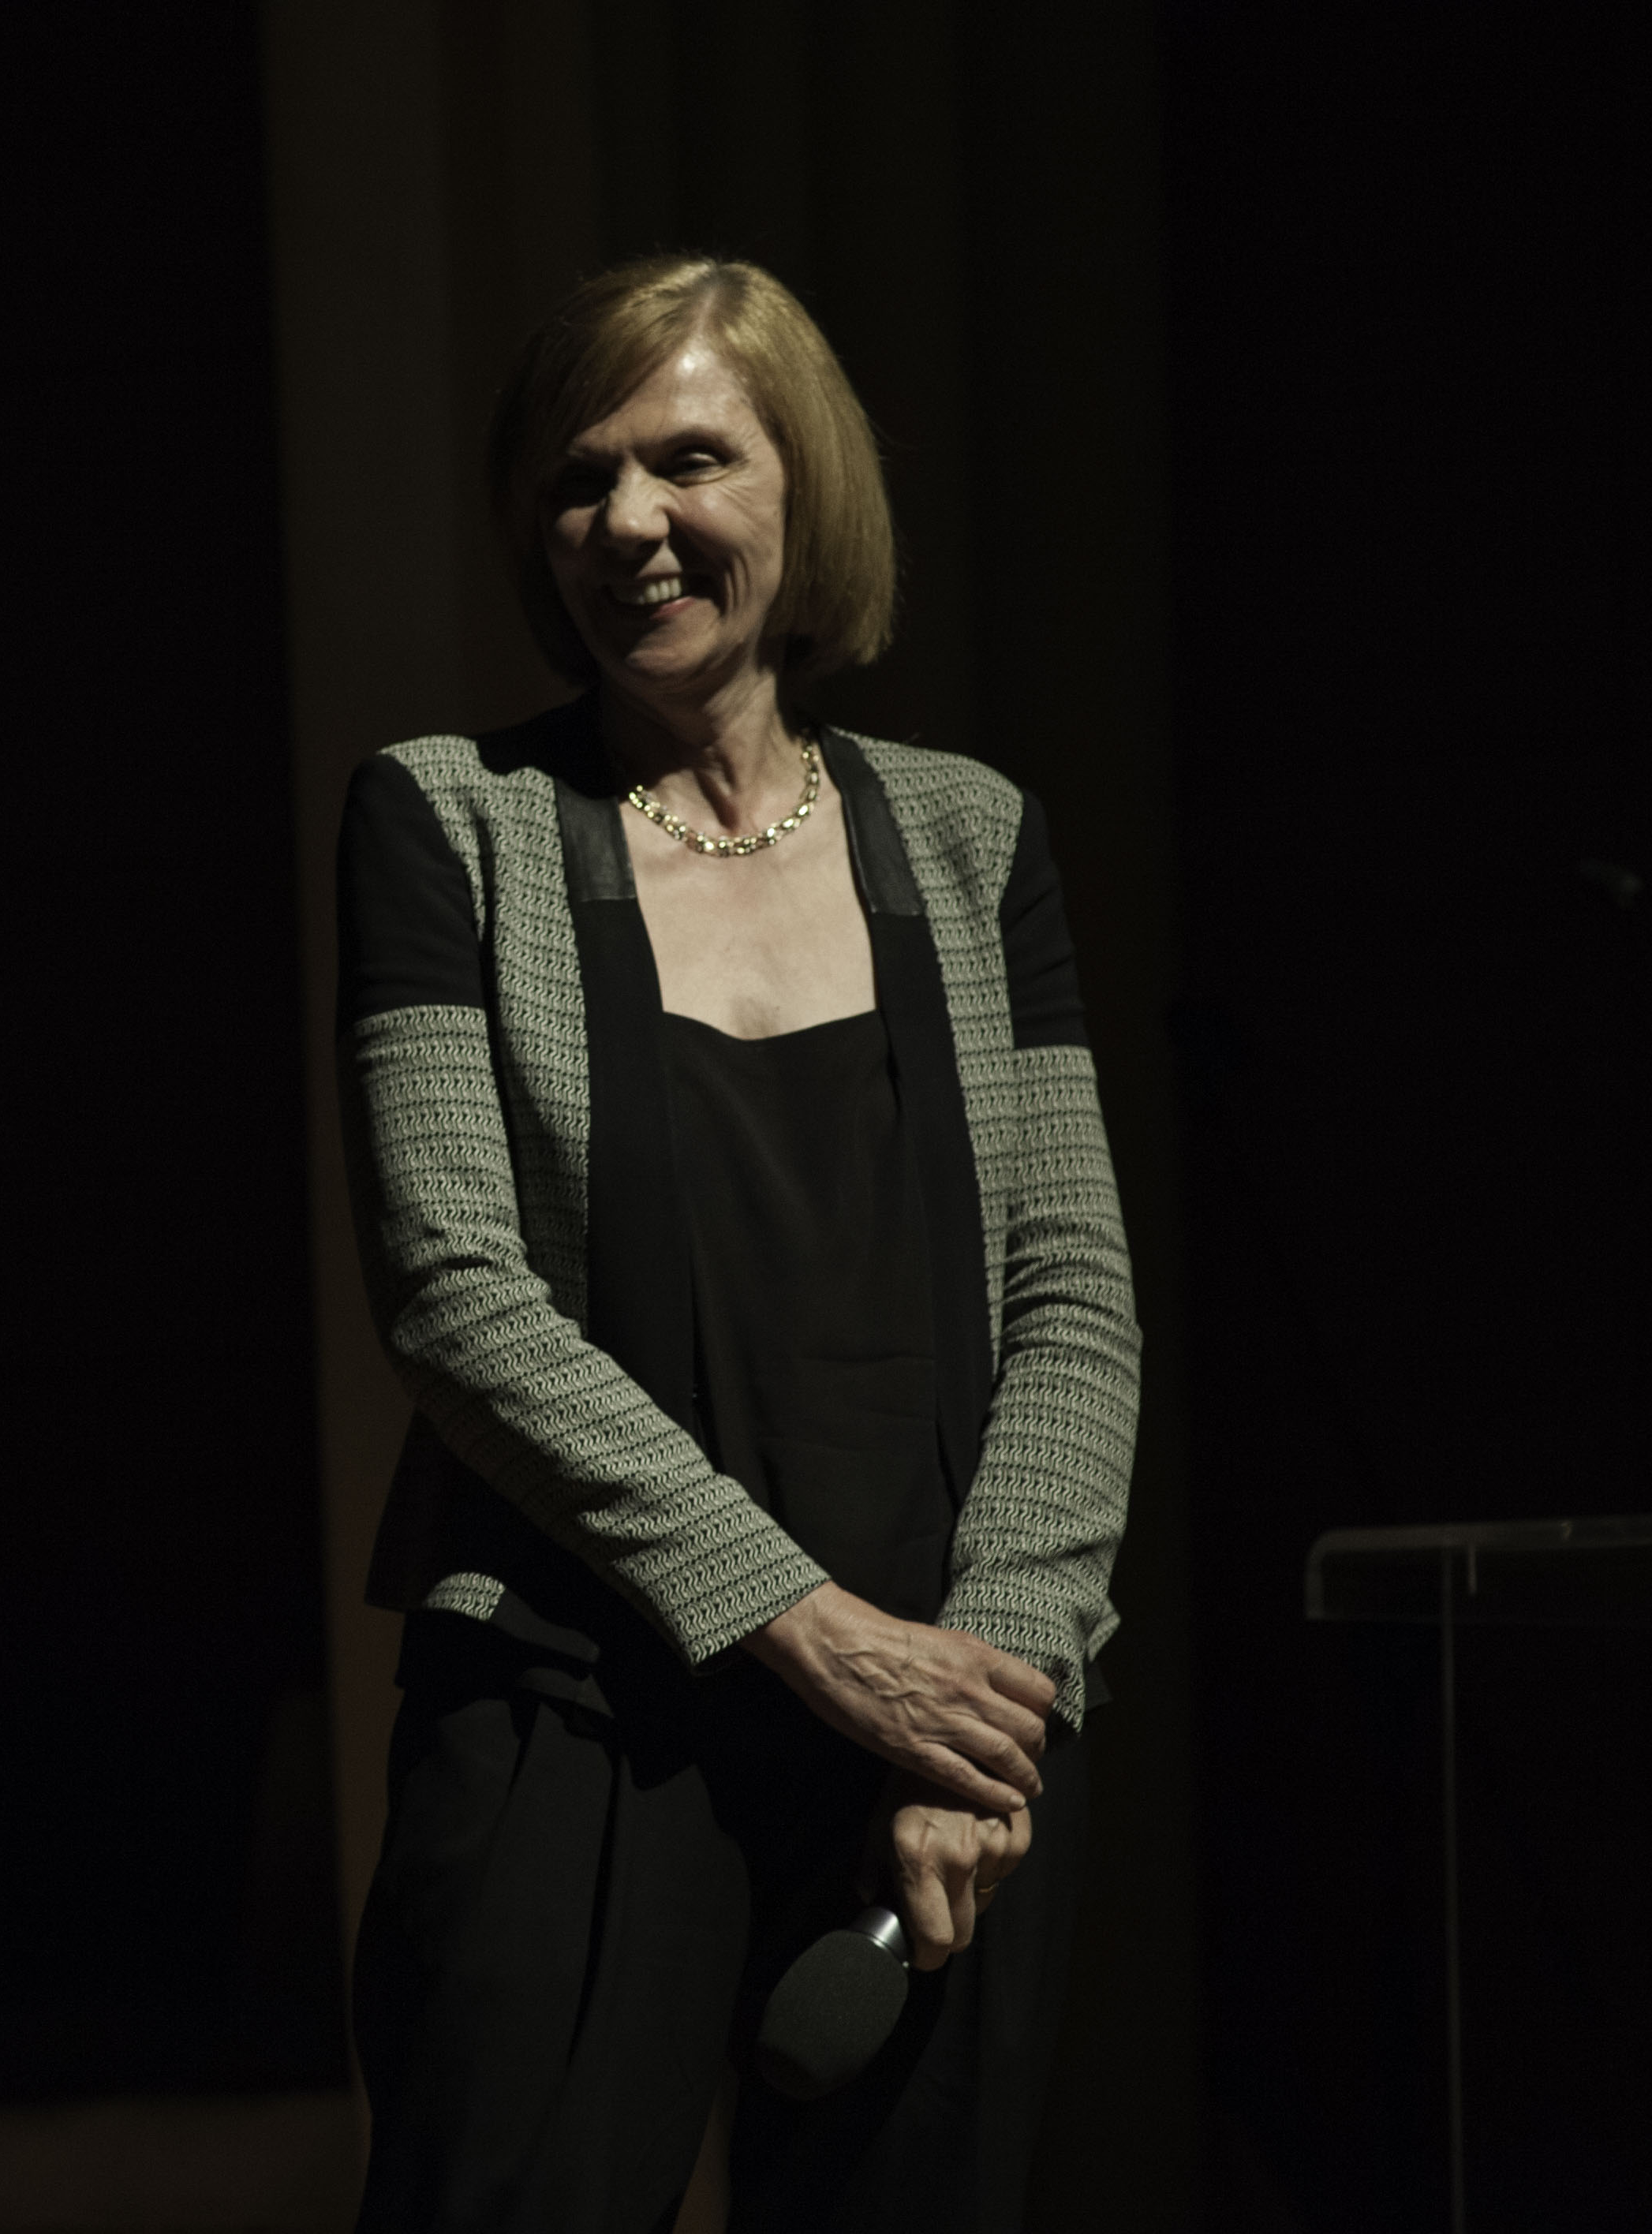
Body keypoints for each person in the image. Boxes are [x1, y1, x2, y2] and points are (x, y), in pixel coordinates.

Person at [336, 254, 1138, 2232]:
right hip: (575, 1703)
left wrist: (991, 1694)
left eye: (687, 459)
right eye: (576, 479)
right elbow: (451, 1293)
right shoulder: (449, 821)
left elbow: (1073, 1295)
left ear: (806, 489)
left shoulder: (969, 834)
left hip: (933, 1727)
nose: (628, 522)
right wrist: (814, 1635)